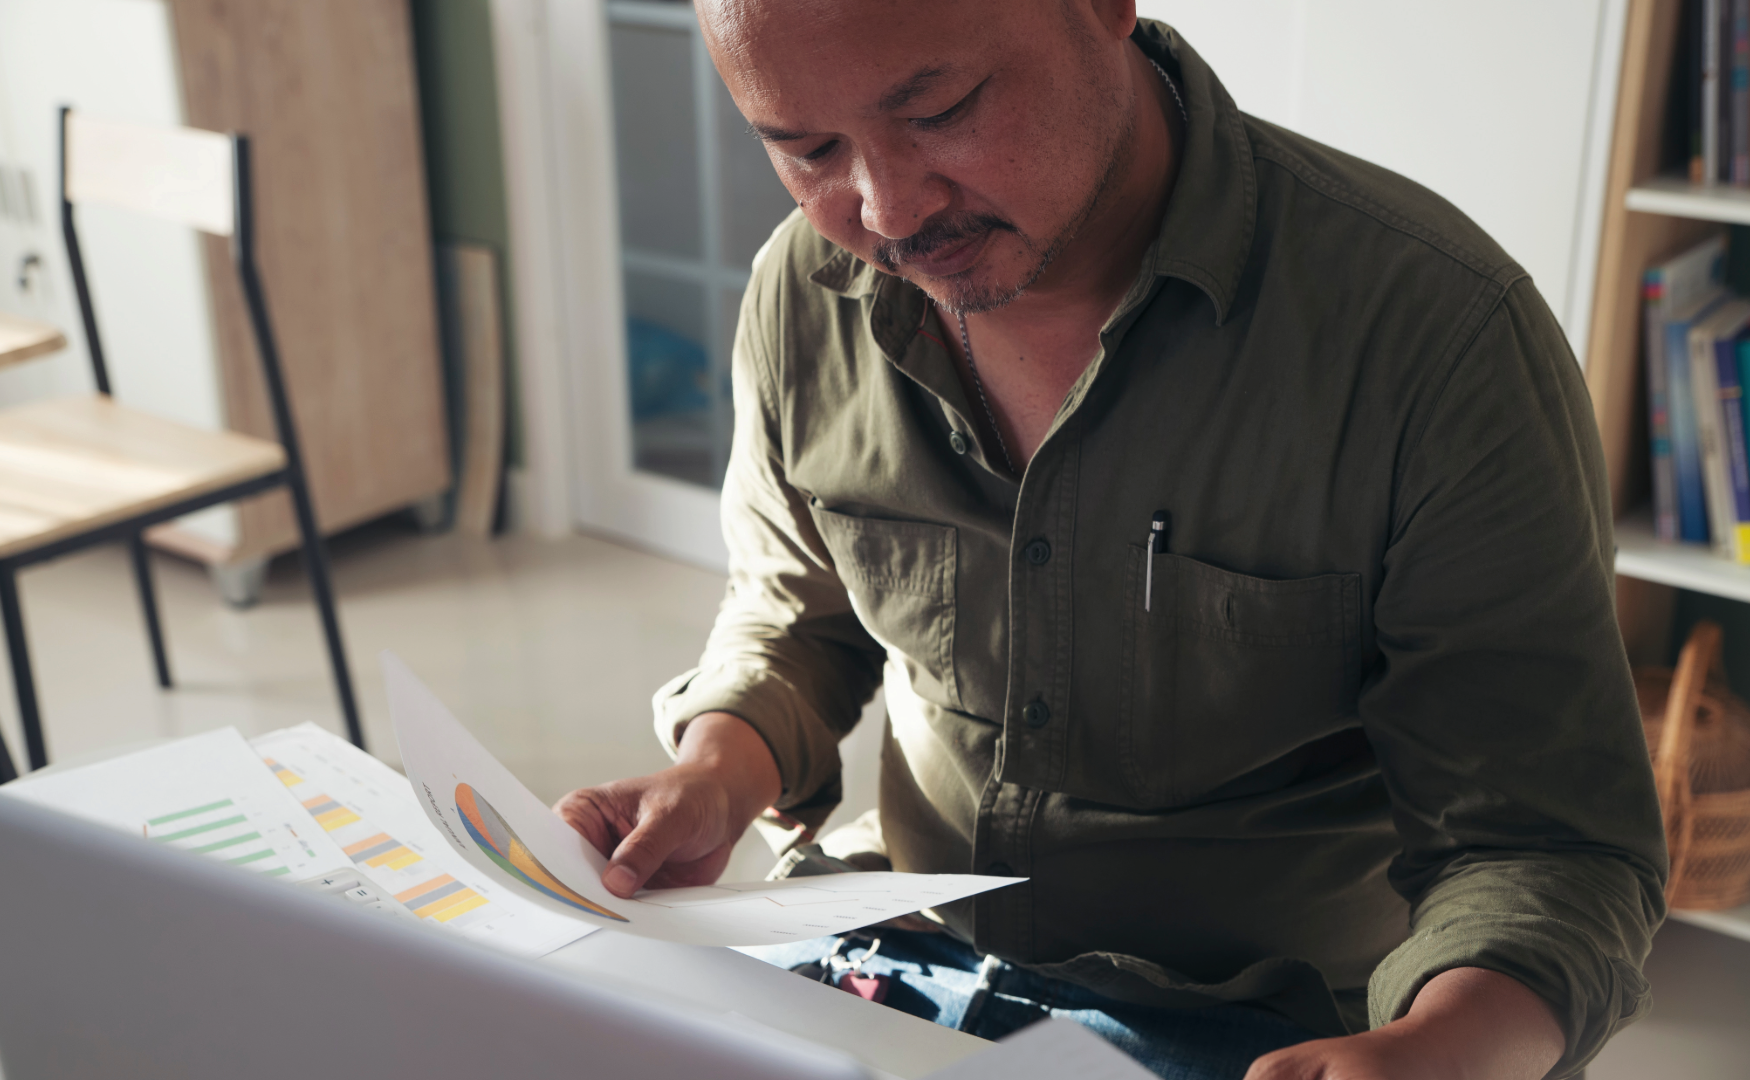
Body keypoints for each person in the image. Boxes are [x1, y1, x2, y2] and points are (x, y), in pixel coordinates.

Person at [555, 3, 1668, 1077]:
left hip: (1277, 1028)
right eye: (807, 150)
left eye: (940, 111)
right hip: (912, 951)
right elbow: (798, 612)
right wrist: (716, 771)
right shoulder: (804, 291)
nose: (886, 210)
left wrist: (1438, 1053)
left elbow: (1546, 846)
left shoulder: (1433, 340)